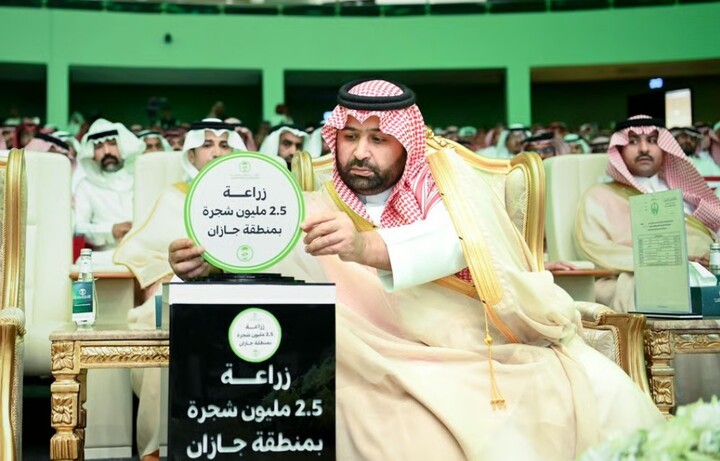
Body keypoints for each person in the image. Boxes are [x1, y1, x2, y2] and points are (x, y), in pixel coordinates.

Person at [168, 80, 662, 460]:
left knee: (588, 393)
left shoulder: (448, 183)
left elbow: (459, 244)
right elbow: (268, 257)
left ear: (406, 142)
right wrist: (209, 265)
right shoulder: (312, 203)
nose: (360, 152)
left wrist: (364, 245)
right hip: (357, 356)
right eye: (349, 137)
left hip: (460, 344)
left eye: (379, 138)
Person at [113, 118, 247, 461]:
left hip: (239, 293)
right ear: (191, 154)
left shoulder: (252, 198)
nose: (216, 152)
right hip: (180, 292)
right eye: (207, 144)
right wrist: (170, 278)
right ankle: (158, 449)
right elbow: (141, 252)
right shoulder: (174, 197)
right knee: (167, 324)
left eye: (225, 144)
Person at [575, 115, 720, 312]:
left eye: (652, 140)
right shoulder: (599, 197)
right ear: (619, 150)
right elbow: (595, 248)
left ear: (664, 148)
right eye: (633, 141)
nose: (644, 148)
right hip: (638, 280)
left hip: (707, 277)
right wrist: (676, 262)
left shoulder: (686, 195)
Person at [74, 118, 144, 264]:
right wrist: (110, 231)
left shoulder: (141, 178)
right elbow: (78, 227)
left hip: (143, 252)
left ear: (123, 146)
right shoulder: (86, 186)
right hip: (106, 256)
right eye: (99, 147)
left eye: (112, 144)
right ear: (92, 153)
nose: (106, 151)